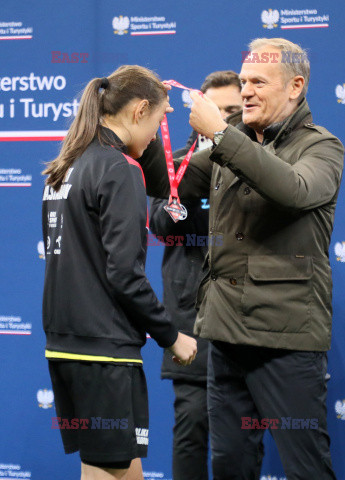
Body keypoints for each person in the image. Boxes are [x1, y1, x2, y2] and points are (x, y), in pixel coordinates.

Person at [139, 38, 344, 479]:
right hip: (224, 337)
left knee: (307, 468)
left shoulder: (322, 147)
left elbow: (292, 190)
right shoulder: (223, 149)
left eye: (257, 82)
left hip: (285, 342)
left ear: (295, 86)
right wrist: (146, 115)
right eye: (244, 80)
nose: (246, 90)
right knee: (230, 465)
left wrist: (220, 134)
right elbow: (164, 185)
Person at [41, 65, 197, 480]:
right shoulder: (119, 168)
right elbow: (125, 275)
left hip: (66, 345)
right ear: (139, 110)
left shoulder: (68, 165)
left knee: (114, 470)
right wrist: (172, 336)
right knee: (108, 471)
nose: (157, 135)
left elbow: (162, 183)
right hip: (104, 351)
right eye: (160, 120)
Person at [149, 71, 244, 480]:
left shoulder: (257, 162)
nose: (225, 119)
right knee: (191, 429)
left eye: (234, 112)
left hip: (244, 315)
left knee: (240, 435)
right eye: (218, 110)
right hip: (191, 316)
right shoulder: (174, 163)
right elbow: (161, 225)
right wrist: (186, 188)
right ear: (197, 111)